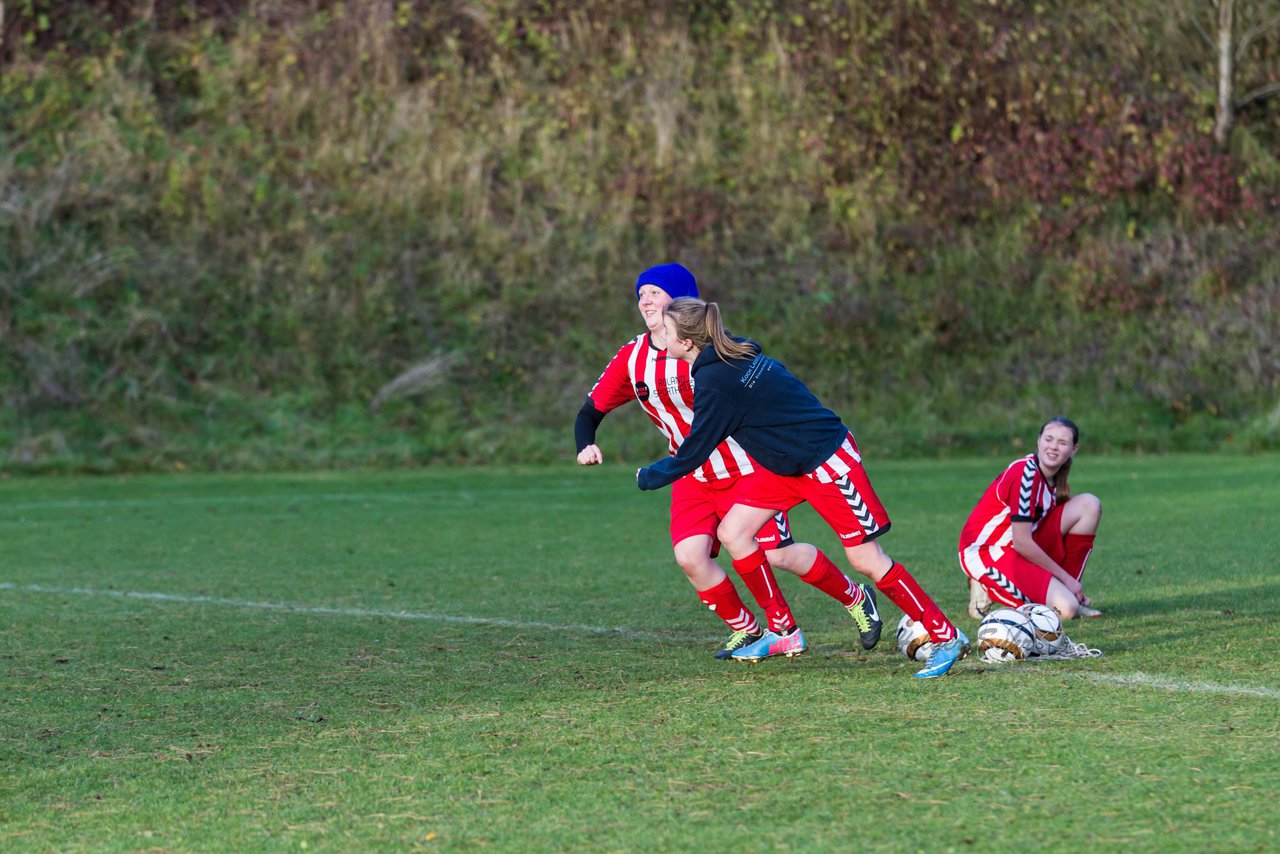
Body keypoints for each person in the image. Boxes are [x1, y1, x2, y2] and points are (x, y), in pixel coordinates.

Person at [636, 298, 969, 678]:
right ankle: (783, 632)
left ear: (687, 342)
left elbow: (694, 450)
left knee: (866, 559)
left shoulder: (716, 380)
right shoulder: (733, 354)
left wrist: (649, 476)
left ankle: (946, 636)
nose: (660, 335)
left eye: (667, 330)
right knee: (734, 532)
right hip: (788, 465)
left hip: (827, 461)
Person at [575, 264, 883, 662]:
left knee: (778, 555)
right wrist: (586, 443)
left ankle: (857, 599)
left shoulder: (712, 348)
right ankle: (751, 629)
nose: (645, 300)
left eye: (655, 292)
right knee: (690, 557)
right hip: (690, 474)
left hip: (747, 466)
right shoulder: (632, 358)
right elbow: (590, 410)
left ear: (683, 303)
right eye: (641, 294)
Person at [958, 416, 1103, 620]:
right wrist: (1067, 579)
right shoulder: (1024, 474)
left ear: (1074, 449)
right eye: (1049, 439)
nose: (1053, 447)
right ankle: (985, 585)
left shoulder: (1056, 482)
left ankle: (1068, 595)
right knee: (1066, 610)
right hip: (988, 552)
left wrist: (1067, 582)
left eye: (1062, 443)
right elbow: (1022, 542)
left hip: (1019, 546)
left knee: (1089, 505)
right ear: (1038, 441)